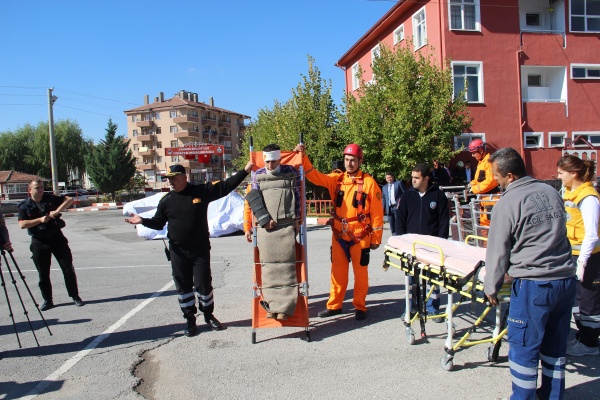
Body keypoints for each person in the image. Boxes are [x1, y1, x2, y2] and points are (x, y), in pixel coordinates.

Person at [484, 148, 576, 400]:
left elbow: (497, 251)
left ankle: (522, 397)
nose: (495, 180)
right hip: (565, 280)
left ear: (510, 176)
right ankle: (551, 395)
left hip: (535, 285)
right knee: (555, 346)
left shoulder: (507, 203)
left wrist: (491, 286)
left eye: (497, 175)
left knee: (524, 347)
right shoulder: (551, 191)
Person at [125, 162, 252, 336]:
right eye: (168, 179)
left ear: (184, 177)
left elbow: (225, 186)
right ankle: (190, 320)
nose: (170, 182)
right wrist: (142, 221)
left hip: (200, 250)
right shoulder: (166, 201)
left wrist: (245, 170)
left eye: (174, 178)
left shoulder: (200, 192)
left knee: (203, 285)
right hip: (178, 252)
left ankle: (208, 315)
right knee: (183, 287)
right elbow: (158, 223)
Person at [293, 142, 383, 321]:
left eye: (353, 160)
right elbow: (315, 176)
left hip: (360, 235)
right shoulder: (336, 179)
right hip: (339, 234)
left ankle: (360, 306)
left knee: (361, 274)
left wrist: (376, 238)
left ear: (360, 161)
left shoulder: (369, 183)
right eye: (347, 160)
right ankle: (334, 306)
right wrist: (303, 158)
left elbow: (377, 213)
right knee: (337, 272)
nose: (349, 163)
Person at [243, 144, 300, 320]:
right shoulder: (258, 174)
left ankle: (286, 307)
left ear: (279, 159)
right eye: (267, 162)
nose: (269, 165)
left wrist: (298, 220)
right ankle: (272, 305)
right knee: (268, 268)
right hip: (266, 228)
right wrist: (253, 224)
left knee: (287, 267)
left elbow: (297, 196)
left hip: (286, 226)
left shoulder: (291, 171)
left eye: (273, 162)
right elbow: (252, 200)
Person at [557, 155, 600, 357]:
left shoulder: (588, 198)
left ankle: (590, 344)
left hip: (589, 258)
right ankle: (582, 337)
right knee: (576, 300)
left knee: (590, 302)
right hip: (572, 255)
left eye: (561, 173)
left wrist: (582, 262)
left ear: (573, 173)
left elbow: (591, 234)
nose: (559, 177)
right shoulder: (570, 193)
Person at [17, 180, 83, 311]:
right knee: (43, 273)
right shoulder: (24, 206)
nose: (41, 190)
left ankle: (75, 296)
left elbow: (69, 200)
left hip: (57, 239)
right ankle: (48, 300)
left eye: (42, 187)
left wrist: (56, 211)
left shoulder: (50, 199)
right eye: (37, 188)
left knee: (68, 269)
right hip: (39, 242)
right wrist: (40, 220)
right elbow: (22, 224)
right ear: (30, 190)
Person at [395, 163, 449, 321]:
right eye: (412, 177)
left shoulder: (438, 195)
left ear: (426, 178)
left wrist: (441, 243)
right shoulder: (407, 196)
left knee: (433, 279)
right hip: (412, 246)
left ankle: (433, 308)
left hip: (432, 247)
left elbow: (444, 221)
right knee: (412, 279)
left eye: (417, 178)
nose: (413, 180)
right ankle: (412, 308)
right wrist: (401, 241)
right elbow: (400, 219)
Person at [468, 139, 499, 226]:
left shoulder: (489, 162)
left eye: (474, 153)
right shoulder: (481, 163)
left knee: (491, 227)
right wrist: (470, 184)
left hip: (491, 200)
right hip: (485, 201)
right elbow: (478, 180)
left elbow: (491, 180)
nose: (472, 155)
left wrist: (474, 189)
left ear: (481, 151)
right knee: (484, 227)